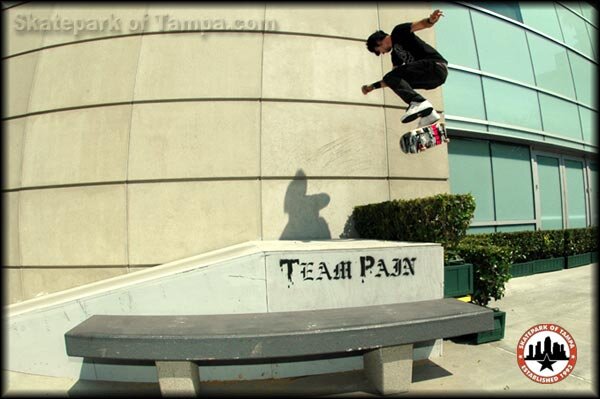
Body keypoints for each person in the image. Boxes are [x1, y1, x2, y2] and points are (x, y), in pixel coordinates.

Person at [362, 9, 448, 128]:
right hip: (433, 78)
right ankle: (429, 114)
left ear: (378, 42)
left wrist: (431, 20)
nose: (382, 53)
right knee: (395, 79)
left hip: (434, 65)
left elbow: (421, 24)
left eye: (379, 51)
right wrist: (372, 87)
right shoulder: (395, 56)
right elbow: (393, 81)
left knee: (391, 76)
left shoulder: (398, 32)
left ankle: (419, 102)